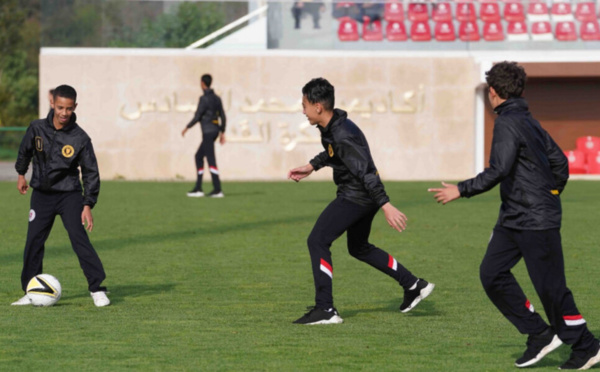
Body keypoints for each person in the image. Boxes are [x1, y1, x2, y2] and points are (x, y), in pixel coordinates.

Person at [428, 61, 600, 370]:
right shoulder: (526, 120)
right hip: (514, 218)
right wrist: (551, 191)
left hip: (535, 220)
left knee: (551, 289)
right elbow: (560, 162)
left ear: (493, 92)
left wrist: (461, 190)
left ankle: (587, 346)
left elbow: (499, 169)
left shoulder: (509, 122)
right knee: (492, 273)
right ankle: (540, 334)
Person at [288, 78, 434, 325]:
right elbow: (333, 152)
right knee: (358, 247)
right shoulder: (334, 127)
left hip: (356, 196)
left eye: (304, 105)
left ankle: (326, 309)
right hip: (361, 196)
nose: (302, 111)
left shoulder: (343, 133)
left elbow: (366, 171)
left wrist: (386, 204)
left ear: (318, 106)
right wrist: (312, 166)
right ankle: (413, 284)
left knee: (317, 240)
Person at [12, 84, 110, 307]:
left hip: (69, 196)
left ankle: (97, 289)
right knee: (33, 242)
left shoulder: (80, 138)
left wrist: (88, 204)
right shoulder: (36, 128)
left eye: (68, 108)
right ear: (52, 104)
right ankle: (30, 290)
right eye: (60, 108)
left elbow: (91, 172)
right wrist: (20, 174)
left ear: (75, 106)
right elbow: (24, 151)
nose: (64, 113)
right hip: (41, 196)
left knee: (79, 239)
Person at [182, 74, 226, 198]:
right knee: (198, 156)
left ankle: (217, 189)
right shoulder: (217, 98)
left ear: (202, 83)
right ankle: (198, 187)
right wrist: (222, 132)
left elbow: (198, 116)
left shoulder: (204, 99)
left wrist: (187, 127)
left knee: (211, 159)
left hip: (207, 131)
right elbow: (222, 116)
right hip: (215, 131)